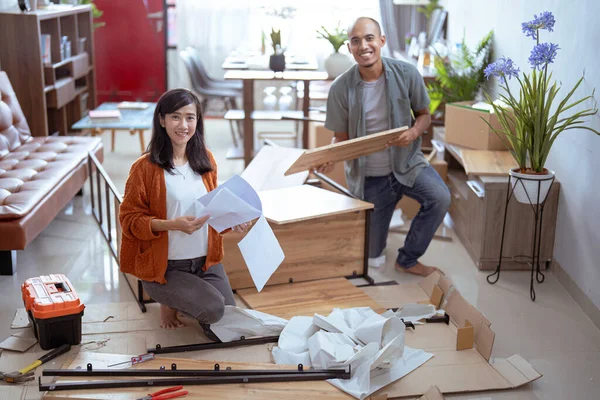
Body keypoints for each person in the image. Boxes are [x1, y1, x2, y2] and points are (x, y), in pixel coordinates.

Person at [317, 17, 450, 277]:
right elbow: (340, 137)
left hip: (407, 165)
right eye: (356, 41)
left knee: (440, 198)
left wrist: (413, 133)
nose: (363, 46)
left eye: (369, 38)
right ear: (349, 47)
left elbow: (424, 115)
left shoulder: (407, 73)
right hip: (371, 179)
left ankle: (408, 258)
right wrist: (331, 156)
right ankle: (378, 231)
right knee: (372, 258)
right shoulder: (340, 88)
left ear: (381, 41)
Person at [119, 88, 250, 339]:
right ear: (162, 120)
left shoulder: (206, 160)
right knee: (213, 310)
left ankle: (186, 300)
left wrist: (232, 220)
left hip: (204, 263)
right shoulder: (144, 168)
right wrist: (171, 225)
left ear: (198, 121)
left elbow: (210, 208)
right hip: (166, 267)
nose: (183, 125)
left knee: (229, 316)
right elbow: (128, 220)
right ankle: (169, 301)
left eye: (190, 117)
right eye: (176, 117)